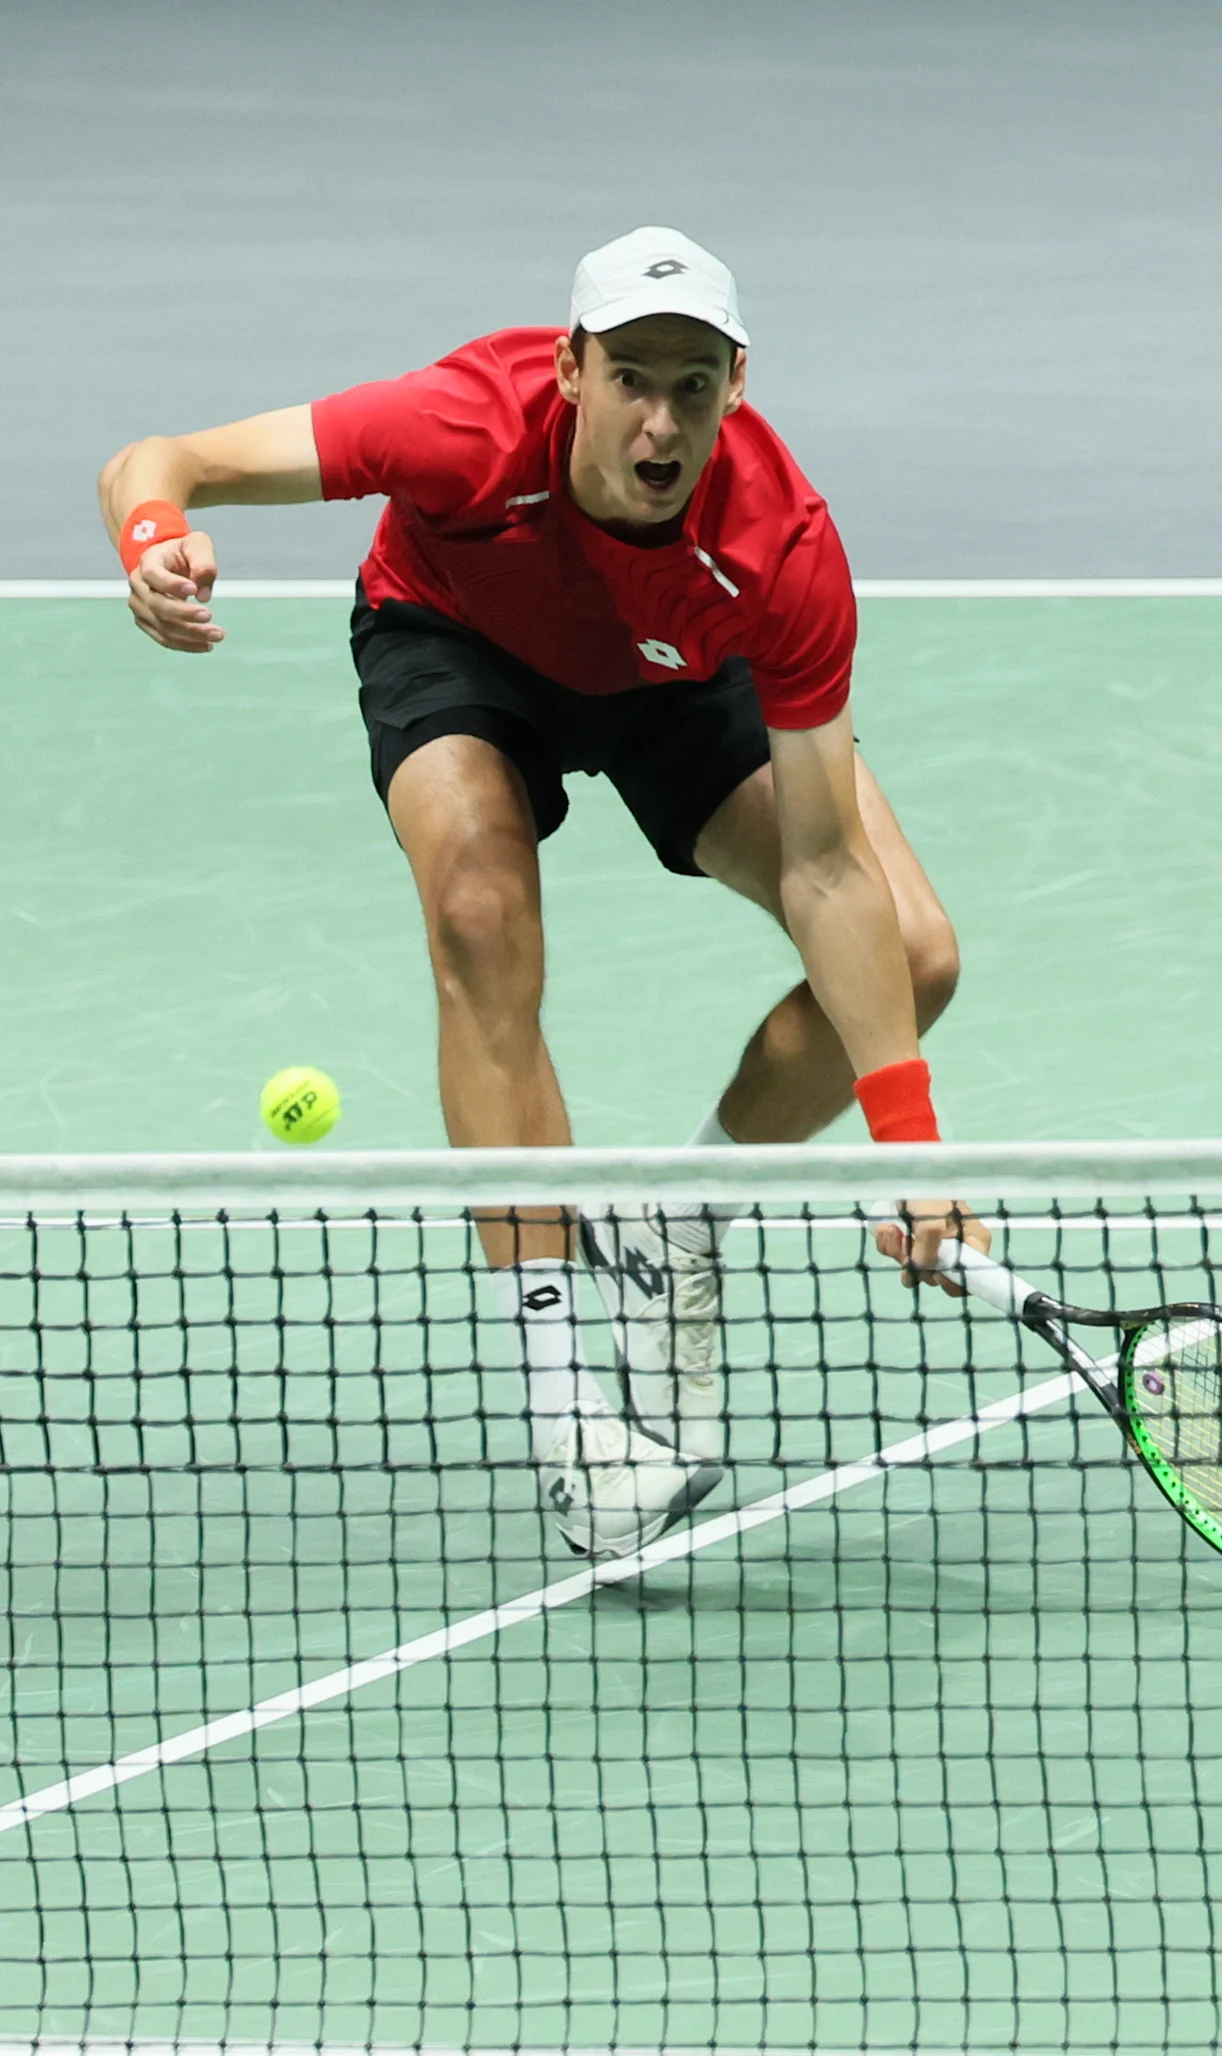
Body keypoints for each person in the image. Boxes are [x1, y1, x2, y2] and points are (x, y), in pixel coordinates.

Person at [99, 227, 983, 1562]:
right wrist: (155, 540)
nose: (660, 417)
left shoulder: (784, 544)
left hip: (681, 674)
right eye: (630, 375)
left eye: (694, 385)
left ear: (737, 389)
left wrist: (914, 1155)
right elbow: (157, 461)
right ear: (569, 367)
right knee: (477, 912)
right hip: (462, 643)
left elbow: (822, 864)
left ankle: (678, 1215)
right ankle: (571, 1414)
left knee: (911, 958)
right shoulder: (460, 426)